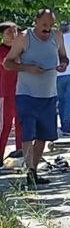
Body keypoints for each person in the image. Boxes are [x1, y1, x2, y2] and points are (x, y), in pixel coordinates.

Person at [2, 10, 70, 186]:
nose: (47, 29)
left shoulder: (57, 36)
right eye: (44, 25)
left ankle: (33, 171)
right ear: (36, 22)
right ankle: (29, 171)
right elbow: (7, 63)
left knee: (43, 135)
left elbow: (64, 56)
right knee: (27, 134)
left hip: (49, 94)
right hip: (27, 94)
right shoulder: (24, 37)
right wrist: (28, 68)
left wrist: (63, 63)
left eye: (51, 25)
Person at [0, 22, 22, 160]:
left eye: (15, 32)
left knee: (21, 124)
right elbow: (9, 65)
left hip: (20, 92)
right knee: (5, 126)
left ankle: (21, 153)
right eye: (9, 32)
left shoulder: (20, 50)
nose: (13, 35)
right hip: (4, 94)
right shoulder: (2, 50)